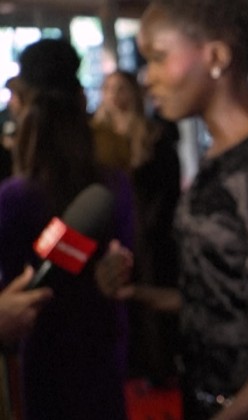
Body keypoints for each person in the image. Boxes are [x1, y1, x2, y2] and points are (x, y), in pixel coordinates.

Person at [96, 0, 248, 418]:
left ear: (217, 56)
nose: (147, 77)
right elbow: (227, 300)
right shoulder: (218, 153)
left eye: (158, 57)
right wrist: (140, 294)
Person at [0, 38, 134, 419]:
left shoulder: (13, 198)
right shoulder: (116, 183)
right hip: (101, 354)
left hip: (46, 363)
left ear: (25, 105)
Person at [95, 69, 183, 385]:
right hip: (112, 231)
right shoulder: (96, 137)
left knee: (152, 296)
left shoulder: (155, 134)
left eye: (122, 88)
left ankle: (159, 365)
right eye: (109, 89)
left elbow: (168, 187)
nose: (115, 95)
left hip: (152, 233)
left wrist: (150, 225)